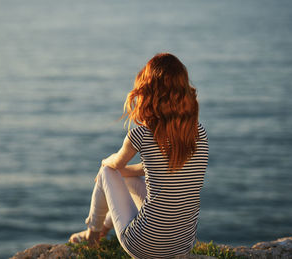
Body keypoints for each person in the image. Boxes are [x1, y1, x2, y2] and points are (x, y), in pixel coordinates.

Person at [69, 53, 209, 258]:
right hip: (181, 246)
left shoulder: (141, 134)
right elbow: (153, 168)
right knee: (127, 178)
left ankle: (92, 235)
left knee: (106, 172)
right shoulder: (198, 132)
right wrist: (124, 174)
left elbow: (115, 165)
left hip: (144, 247)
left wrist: (104, 162)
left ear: (148, 91)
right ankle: (105, 228)